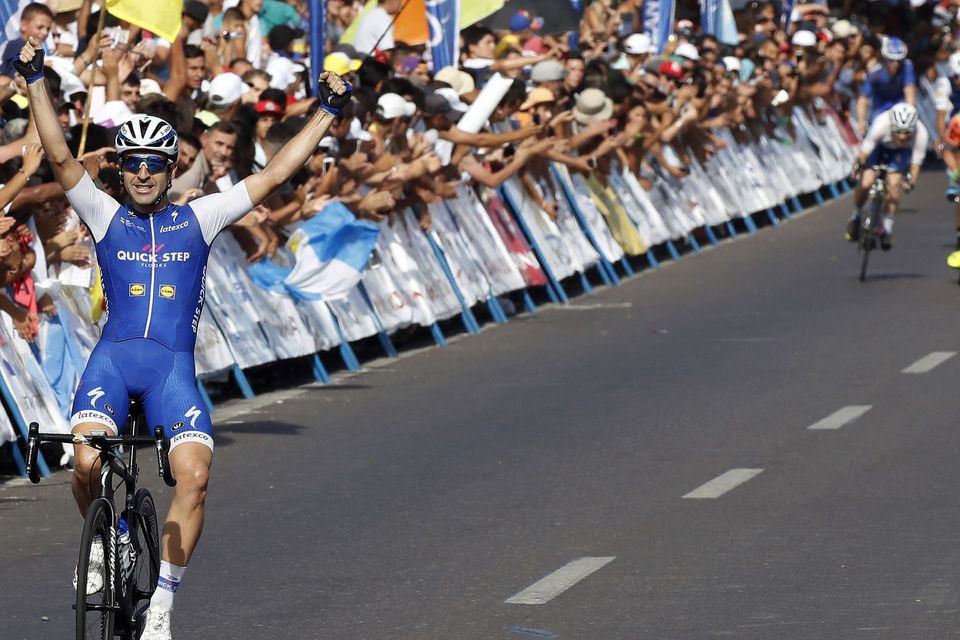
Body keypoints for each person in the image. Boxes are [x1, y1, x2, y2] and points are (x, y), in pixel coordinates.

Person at [15, 34, 352, 640]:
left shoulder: (200, 216)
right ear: (119, 168)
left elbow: (276, 172)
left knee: (194, 477)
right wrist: (37, 79)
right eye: (132, 163)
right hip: (112, 365)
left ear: (171, 168)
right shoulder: (101, 211)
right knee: (87, 464)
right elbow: (63, 158)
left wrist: (325, 112)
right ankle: (108, 545)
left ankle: (164, 604)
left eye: (154, 164)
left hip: (172, 371)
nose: (143, 174)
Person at [846, 102, 927, 251]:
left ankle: (888, 229)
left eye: (907, 132)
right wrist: (855, 170)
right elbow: (863, 154)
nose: (902, 137)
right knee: (866, 181)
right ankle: (856, 216)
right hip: (878, 148)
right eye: (898, 131)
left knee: (894, 184)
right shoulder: (881, 124)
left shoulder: (921, 133)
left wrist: (911, 182)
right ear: (891, 126)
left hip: (900, 154)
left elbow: (916, 164)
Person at [855, 36, 915, 138]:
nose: (896, 64)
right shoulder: (874, 74)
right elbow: (863, 99)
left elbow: (909, 92)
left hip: (900, 107)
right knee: (872, 137)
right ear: (885, 58)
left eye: (899, 60)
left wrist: (910, 114)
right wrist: (861, 121)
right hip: (880, 110)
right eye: (892, 60)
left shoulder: (907, 66)